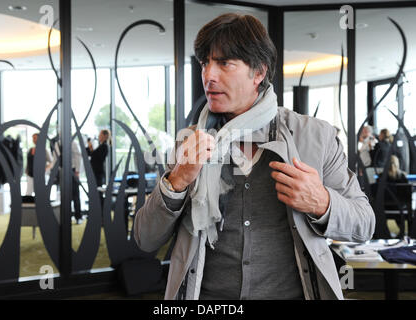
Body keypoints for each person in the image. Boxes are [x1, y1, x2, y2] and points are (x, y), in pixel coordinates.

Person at [134, 13, 375, 300]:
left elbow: (364, 224)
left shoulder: (316, 137)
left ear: (259, 72)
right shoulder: (189, 142)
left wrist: (322, 202)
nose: (209, 75)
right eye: (205, 63)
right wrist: (177, 181)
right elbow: (145, 238)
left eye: (224, 63)